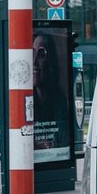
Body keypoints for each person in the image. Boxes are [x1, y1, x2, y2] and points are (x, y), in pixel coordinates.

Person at [32, 29, 70, 157]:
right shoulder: (24, 102)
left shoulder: (60, 104)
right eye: (32, 53)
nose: (34, 61)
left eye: (41, 54)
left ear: (50, 62)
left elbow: (63, 142)